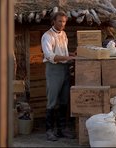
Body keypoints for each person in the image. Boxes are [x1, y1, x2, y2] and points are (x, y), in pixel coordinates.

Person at [41, 11, 76, 141]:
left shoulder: (64, 34)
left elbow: (63, 51)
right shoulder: (47, 36)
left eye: (64, 22)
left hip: (65, 69)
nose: (62, 24)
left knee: (64, 100)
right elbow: (49, 55)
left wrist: (72, 54)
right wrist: (68, 57)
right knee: (52, 101)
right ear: (53, 21)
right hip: (54, 69)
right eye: (60, 21)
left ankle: (62, 129)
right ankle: (49, 130)